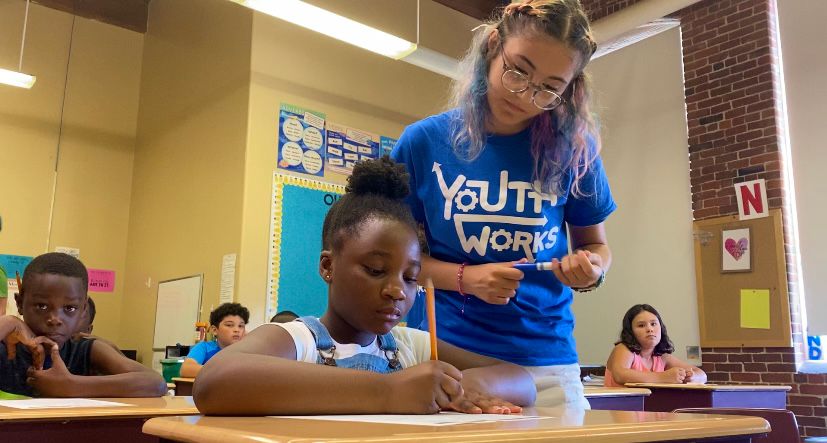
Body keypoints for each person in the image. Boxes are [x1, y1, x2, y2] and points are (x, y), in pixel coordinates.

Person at [390, 0, 614, 408]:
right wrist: (466, 278)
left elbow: (596, 246)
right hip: (451, 359)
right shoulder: (423, 143)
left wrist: (591, 271)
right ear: (494, 45)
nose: (526, 95)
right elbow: (394, 260)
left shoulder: (575, 154)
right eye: (518, 71)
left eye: (549, 88)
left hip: (545, 363)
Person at [193, 157, 536, 415]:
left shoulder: (407, 345)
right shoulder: (300, 340)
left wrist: (465, 385)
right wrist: (388, 391)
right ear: (328, 266)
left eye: (411, 277)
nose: (397, 290)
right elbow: (213, 381)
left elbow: (521, 380)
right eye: (375, 269)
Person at [0, 252, 167, 397]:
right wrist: (7, 322)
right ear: (20, 303)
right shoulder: (6, 349)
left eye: (70, 308)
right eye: (42, 306)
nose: (55, 319)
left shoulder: (85, 350)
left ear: (83, 309)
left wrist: (71, 385)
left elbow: (156, 383)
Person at [605, 304, 707, 386]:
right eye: (641, 325)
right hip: (619, 408)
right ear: (630, 331)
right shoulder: (623, 349)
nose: (650, 329)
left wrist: (691, 377)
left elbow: (702, 375)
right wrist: (663, 377)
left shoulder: (662, 357)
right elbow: (620, 375)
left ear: (661, 328)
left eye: (653, 324)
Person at [179, 302, 249, 378]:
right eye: (229, 325)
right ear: (214, 330)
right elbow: (186, 369)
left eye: (241, 326)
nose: (237, 330)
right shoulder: (204, 348)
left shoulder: (246, 352)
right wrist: (226, 371)